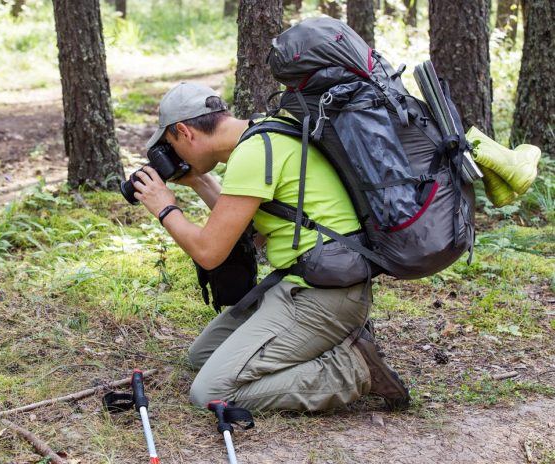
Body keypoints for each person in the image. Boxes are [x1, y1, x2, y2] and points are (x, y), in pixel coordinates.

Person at [132, 81, 410, 412]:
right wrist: (199, 181)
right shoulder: (264, 133)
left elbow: (209, 253)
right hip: (307, 284)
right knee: (201, 356)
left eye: (169, 145)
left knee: (208, 393)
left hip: (323, 297)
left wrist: (165, 208)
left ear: (184, 132)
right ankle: (323, 345)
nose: (172, 156)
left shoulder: (254, 153)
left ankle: (352, 370)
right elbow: (254, 232)